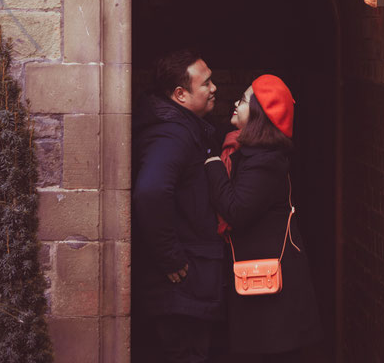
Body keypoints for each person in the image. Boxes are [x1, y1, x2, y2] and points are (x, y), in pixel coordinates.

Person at [204, 75, 322, 361]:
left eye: (242, 100)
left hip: (272, 299)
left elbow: (236, 211)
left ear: (257, 115)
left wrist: (213, 166)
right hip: (261, 288)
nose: (235, 103)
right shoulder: (252, 153)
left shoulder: (264, 161)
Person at [133, 49, 224, 363]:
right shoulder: (172, 134)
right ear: (180, 94)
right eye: (206, 83)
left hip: (188, 283)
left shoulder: (181, 127)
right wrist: (170, 257)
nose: (214, 88)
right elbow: (150, 192)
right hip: (182, 286)